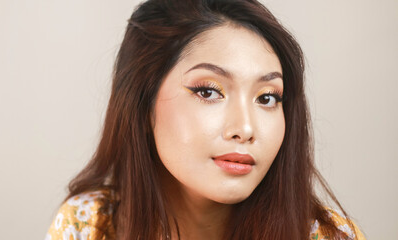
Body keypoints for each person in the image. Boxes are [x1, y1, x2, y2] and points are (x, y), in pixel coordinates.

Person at [46, 0, 366, 239]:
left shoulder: (328, 235)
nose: (245, 129)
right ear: (142, 105)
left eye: (267, 97)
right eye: (209, 92)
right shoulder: (89, 225)